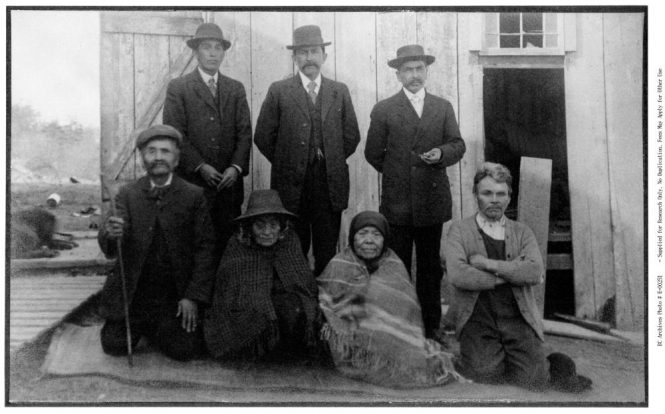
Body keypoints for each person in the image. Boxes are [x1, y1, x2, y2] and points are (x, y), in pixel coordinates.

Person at [444, 162, 592, 392]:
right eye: (487, 193)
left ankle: (543, 361)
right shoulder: (459, 230)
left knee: (535, 381)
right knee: (485, 374)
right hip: (478, 317)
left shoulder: (522, 232)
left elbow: (534, 272)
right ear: (476, 195)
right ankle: (492, 357)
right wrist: (511, 273)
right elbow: (458, 275)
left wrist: (487, 264)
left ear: (509, 197)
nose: (495, 199)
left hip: (516, 317)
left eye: (501, 194)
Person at [364, 44, 466, 341]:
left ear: (426, 71)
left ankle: (431, 327)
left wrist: (442, 153)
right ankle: (399, 326)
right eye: (408, 70)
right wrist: (399, 173)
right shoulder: (384, 109)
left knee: (430, 267)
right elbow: (373, 154)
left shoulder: (442, 106)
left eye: (419, 69)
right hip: (398, 202)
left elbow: (458, 144)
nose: (414, 75)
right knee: (397, 266)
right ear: (398, 75)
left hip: (431, 200)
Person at [98, 124, 217, 361]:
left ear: (176, 159)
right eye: (151, 151)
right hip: (135, 293)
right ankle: (147, 326)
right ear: (142, 158)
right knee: (114, 345)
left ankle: (159, 328)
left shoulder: (193, 195)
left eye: (165, 151)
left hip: (174, 295)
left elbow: (206, 249)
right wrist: (111, 233)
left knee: (184, 350)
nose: (158, 157)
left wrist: (192, 297)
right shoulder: (127, 194)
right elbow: (112, 250)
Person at [254, 25, 360, 276]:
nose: (309, 58)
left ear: (324, 56)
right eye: (302, 52)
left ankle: (324, 304)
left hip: (329, 184)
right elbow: (263, 137)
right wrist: (289, 162)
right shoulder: (279, 90)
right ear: (294, 58)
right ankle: (298, 305)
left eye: (314, 51)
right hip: (292, 187)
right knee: (293, 247)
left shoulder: (339, 91)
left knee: (327, 250)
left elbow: (351, 136)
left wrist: (330, 158)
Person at [317, 211, 464, 388]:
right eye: (362, 234)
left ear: (385, 239)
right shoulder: (339, 264)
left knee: (415, 363)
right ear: (352, 238)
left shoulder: (394, 265)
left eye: (376, 235)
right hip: (349, 342)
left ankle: (385, 356)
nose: (369, 240)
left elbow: (405, 309)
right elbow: (326, 302)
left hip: (390, 337)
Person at [163, 22, 252, 256]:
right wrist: (200, 166)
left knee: (227, 245)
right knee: (194, 246)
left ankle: (225, 292)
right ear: (196, 52)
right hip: (193, 183)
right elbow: (174, 133)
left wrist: (236, 167)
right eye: (206, 47)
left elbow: (244, 132)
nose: (213, 53)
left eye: (218, 48)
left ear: (223, 53)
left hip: (228, 186)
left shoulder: (235, 88)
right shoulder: (179, 87)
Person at [204, 190, 323, 361]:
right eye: (260, 225)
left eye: (273, 225)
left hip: (285, 306)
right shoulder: (237, 244)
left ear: (281, 226)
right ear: (249, 227)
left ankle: (290, 352)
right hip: (248, 307)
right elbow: (228, 291)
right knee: (258, 311)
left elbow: (304, 283)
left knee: (296, 306)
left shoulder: (290, 240)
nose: (267, 232)